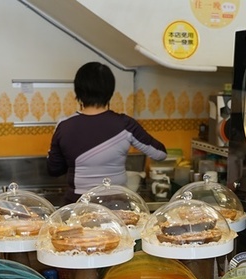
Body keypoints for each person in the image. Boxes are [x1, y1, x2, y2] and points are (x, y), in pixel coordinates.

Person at [47, 62, 167, 204]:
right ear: (110, 92)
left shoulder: (64, 125)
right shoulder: (126, 124)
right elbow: (160, 154)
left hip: (78, 205)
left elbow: (54, 170)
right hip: (117, 205)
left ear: (78, 91)